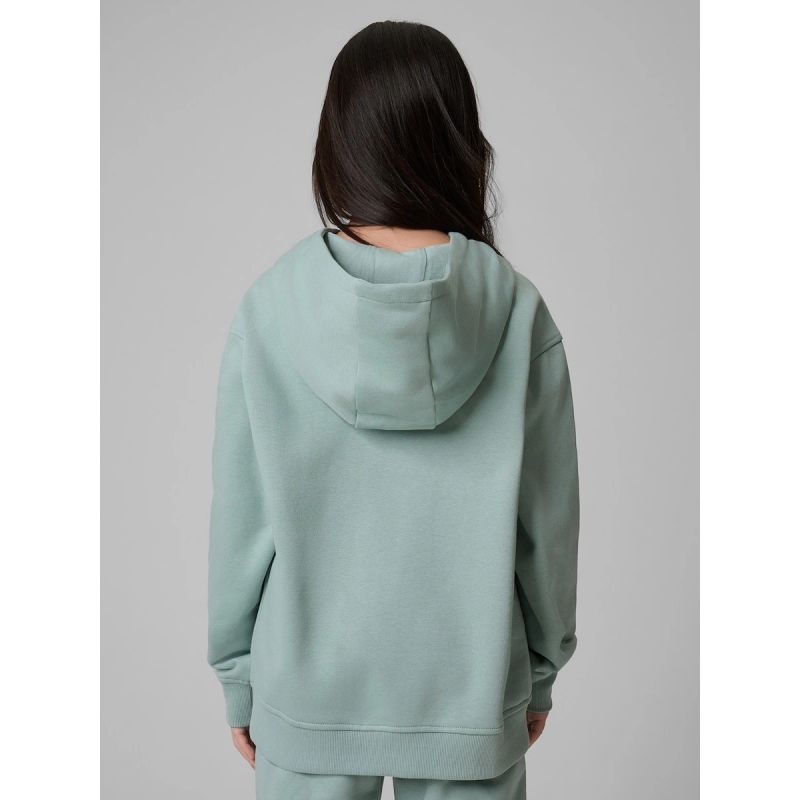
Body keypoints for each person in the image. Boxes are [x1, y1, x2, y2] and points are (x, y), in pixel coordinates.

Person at [207, 20, 580, 800]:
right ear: (460, 142)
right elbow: (546, 526)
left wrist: (239, 676)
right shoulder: (516, 313)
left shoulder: (271, 309)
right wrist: (539, 672)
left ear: (337, 144)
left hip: (306, 696)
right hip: (469, 692)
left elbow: (243, 522)